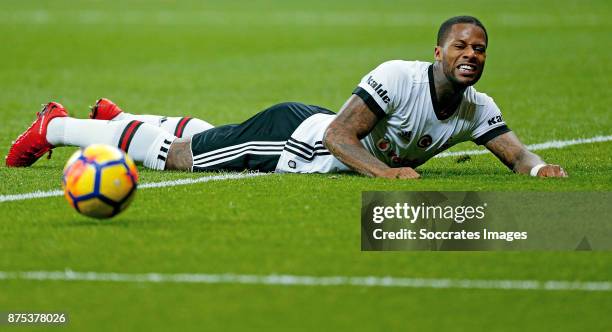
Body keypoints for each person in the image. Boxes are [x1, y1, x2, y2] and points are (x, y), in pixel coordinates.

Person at [6, 15, 567, 178]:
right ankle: (56, 127)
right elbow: (337, 135)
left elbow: (518, 155)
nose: (472, 54)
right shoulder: (399, 75)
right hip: (294, 145)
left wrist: (540, 171)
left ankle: (117, 118)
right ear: (439, 52)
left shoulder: (477, 107)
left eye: (482, 49)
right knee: (178, 158)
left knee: (206, 136)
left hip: (298, 133)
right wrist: (387, 174)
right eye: (462, 46)